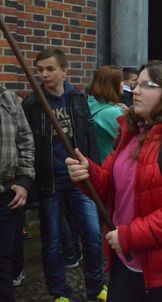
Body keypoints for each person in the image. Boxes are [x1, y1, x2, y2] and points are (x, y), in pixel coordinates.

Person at [65, 60, 162, 301]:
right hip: (127, 265)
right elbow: (110, 188)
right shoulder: (130, 133)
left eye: (147, 85)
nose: (135, 91)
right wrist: (89, 174)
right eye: (136, 84)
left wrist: (128, 237)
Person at [21, 47, 107, 302]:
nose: (44, 75)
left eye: (50, 69)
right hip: (50, 183)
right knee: (52, 241)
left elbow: (89, 139)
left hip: (80, 181)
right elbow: (27, 143)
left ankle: (97, 288)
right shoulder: (33, 103)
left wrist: (94, 173)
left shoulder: (78, 99)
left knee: (92, 236)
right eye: (40, 70)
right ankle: (59, 293)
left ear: (64, 71)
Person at [0, 85, 35, 302]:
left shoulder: (9, 99)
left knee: (4, 259)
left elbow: (25, 141)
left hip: (5, 193)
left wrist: (23, 180)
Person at [88, 66, 125, 164]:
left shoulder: (90, 104)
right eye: (121, 81)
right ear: (113, 84)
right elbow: (131, 143)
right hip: (111, 166)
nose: (123, 84)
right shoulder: (113, 112)